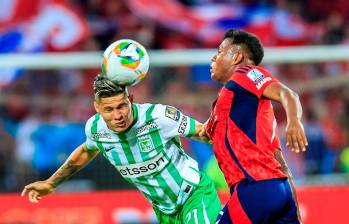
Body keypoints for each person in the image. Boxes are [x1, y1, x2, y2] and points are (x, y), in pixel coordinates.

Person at [21, 74, 222, 224]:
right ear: (97, 108)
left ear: (131, 100)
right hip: (164, 210)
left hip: (193, 194)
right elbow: (86, 151)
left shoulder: (158, 117)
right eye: (109, 109)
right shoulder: (95, 129)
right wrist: (51, 183)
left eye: (122, 106)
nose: (118, 115)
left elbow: (204, 134)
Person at [200, 29, 308, 223]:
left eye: (221, 51)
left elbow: (288, 94)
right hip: (279, 189)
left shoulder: (245, 74)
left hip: (254, 187)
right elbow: (281, 164)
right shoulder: (248, 112)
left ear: (237, 57)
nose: (214, 57)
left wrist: (294, 121)